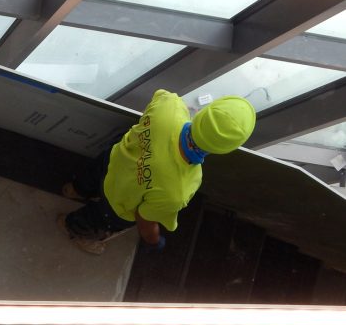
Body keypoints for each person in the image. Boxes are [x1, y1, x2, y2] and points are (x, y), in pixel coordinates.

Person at [57, 90, 256, 255]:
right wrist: (152, 240)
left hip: (111, 162)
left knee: (89, 177)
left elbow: (157, 102)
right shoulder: (182, 186)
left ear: (204, 112)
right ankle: (71, 227)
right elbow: (145, 218)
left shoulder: (170, 107)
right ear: (224, 149)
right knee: (95, 219)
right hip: (118, 204)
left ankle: (73, 189)